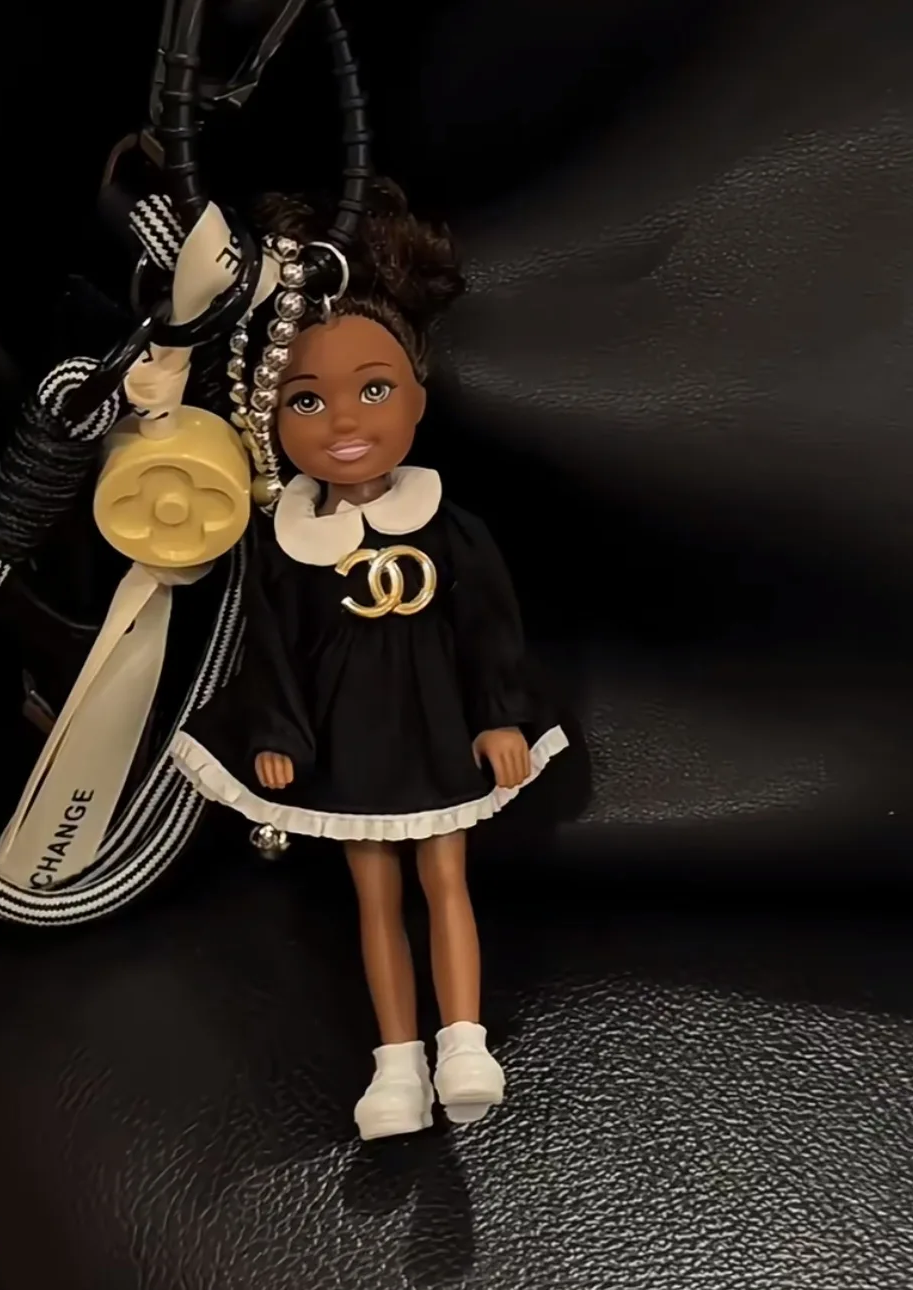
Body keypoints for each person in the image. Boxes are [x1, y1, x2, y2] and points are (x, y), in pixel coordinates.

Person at [171, 179, 574, 1140]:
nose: (344, 421)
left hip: (437, 726)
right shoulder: (283, 546)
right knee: (373, 896)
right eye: (306, 399)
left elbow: (490, 628)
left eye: (375, 389)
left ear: (419, 398)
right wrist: (277, 733)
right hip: (348, 740)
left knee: (447, 879)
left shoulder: (450, 526)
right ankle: (396, 1062)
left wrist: (498, 715)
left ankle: (464, 1042)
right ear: (270, 420)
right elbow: (272, 647)